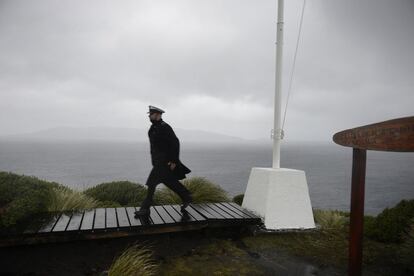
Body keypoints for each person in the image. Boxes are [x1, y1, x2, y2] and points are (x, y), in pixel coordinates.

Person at [134, 105, 193, 217]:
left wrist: (173, 161)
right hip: (158, 162)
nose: (149, 116)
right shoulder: (153, 128)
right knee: (170, 182)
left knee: (151, 184)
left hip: (165, 162)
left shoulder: (165, 127)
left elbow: (175, 143)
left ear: (157, 115)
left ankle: (145, 209)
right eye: (149, 114)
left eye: (151, 114)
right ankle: (187, 196)